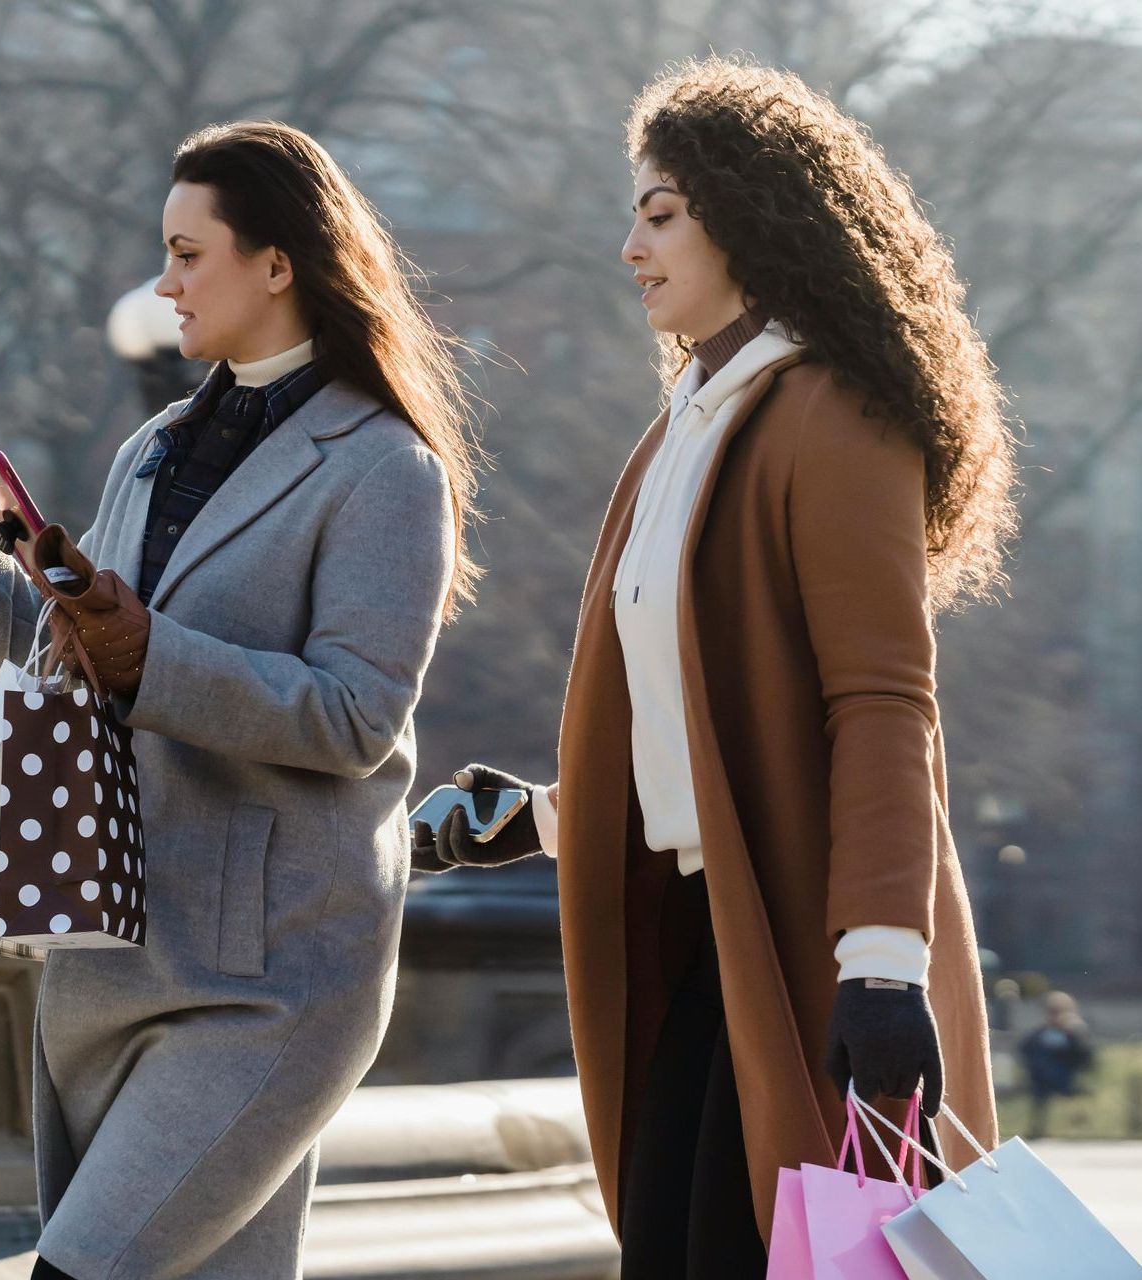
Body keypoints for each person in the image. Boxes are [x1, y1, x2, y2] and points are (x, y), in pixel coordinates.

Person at [414, 56, 1016, 1276]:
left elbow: (883, 703)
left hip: (808, 945)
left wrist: (883, 965)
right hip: (704, 934)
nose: (631, 247)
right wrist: (539, 817)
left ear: (747, 214)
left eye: (661, 213)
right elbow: (701, 724)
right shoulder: (685, 426)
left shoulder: (836, 413)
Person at [0, 120, 477, 1280]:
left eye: (188, 253)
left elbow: (356, 715)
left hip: (268, 984)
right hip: (109, 953)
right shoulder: (154, 446)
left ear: (278, 262)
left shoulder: (388, 469)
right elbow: (84, 658)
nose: (165, 283)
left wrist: (151, 654)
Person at [1020, 991, 1095, 1138]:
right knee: (1039, 1091)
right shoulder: (1040, 1033)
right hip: (1041, 1077)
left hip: (1067, 1075)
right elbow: (1025, 1049)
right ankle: (1037, 1128)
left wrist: (1071, 1033)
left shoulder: (1075, 1032)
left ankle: (1076, 1127)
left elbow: (1085, 1056)